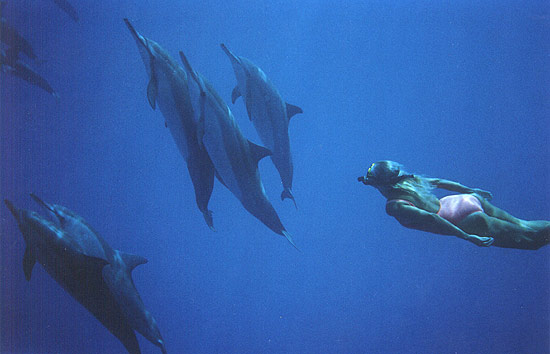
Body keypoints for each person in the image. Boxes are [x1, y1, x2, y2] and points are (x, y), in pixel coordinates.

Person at [358, 160, 549, 250]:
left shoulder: (393, 205)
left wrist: (467, 237)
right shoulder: (410, 179)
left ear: (379, 183)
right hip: (465, 200)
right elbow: (441, 181)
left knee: (530, 241)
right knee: (524, 225)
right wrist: (471, 190)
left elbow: (432, 218)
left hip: (462, 219)